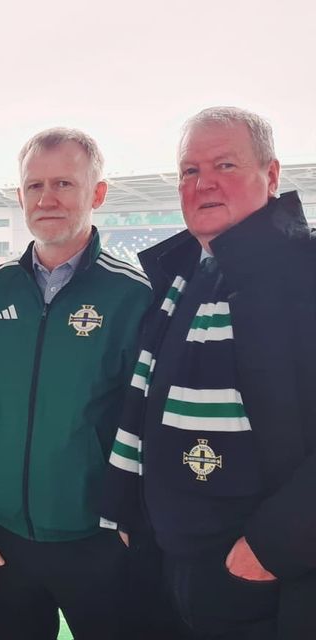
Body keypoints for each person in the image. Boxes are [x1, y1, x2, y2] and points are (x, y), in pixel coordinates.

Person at [102, 107, 316, 639]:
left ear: (270, 175)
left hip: (267, 580)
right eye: (189, 171)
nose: (204, 184)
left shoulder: (305, 273)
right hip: (168, 569)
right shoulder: (182, 279)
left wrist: (270, 549)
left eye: (224, 165)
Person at [0, 128, 153, 639]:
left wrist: (131, 521)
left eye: (63, 184)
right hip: (2, 542)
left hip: (99, 544)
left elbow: (148, 424)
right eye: (34, 186)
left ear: (96, 194)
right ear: (20, 196)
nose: (46, 198)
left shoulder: (133, 296)